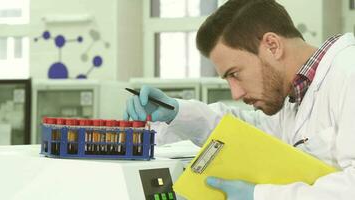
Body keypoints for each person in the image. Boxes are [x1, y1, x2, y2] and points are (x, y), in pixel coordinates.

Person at [124, 0, 355, 199]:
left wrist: (260, 196)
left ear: (272, 46)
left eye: (235, 74)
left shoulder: (348, 73)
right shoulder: (294, 95)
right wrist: (176, 113)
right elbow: (248, 132)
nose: (236, 93)